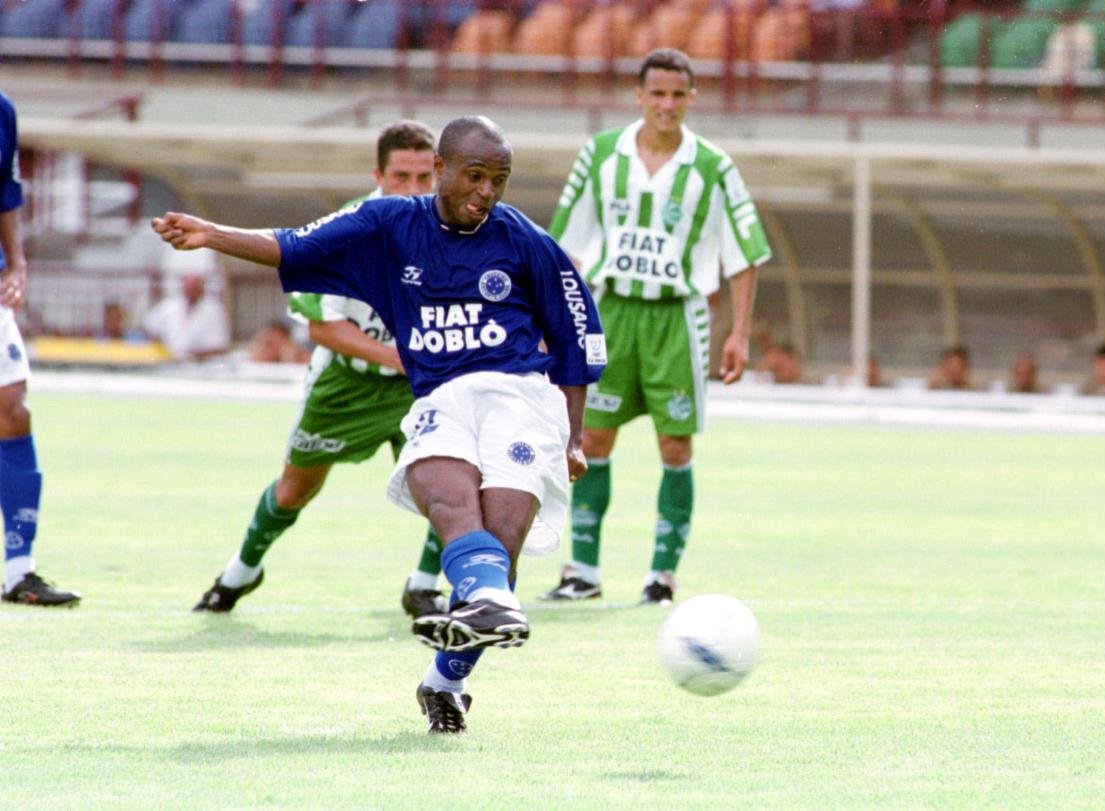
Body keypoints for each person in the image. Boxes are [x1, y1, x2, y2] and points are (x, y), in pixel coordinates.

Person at [152, 115, 606, 735]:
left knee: (499, 542)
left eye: (498, 180)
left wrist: (574, 436)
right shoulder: (389, 225)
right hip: (440, 395)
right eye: (474, 176)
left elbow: (577, 334)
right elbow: (294, 244)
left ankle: (446, 679)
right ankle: (488, 606)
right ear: (441, 172)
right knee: (445, 500)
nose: (486, 192)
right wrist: (211, 233)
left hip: (520, 395)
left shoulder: (524, 240)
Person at [190, 121, 450, 620]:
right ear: (379, 174)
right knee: (295, 489)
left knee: (449, 484)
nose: (413, 189)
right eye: (401, 176)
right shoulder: (352, 225)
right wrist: (401, 357)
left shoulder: (452, 227)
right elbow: (323, 328)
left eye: (424, 177)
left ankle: (423, 586)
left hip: (422, 388)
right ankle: (240, 571)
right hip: (347, 385)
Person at [541, 48, 772, 605]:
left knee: (674, 445)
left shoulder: (714, 167)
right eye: (658, 93)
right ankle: (583, 572)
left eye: (678, 94)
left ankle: (661, 576)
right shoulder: (600, 155)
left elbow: (744, 254)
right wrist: (557, 324)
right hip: (609, 311)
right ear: (639, 95)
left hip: (679, 317)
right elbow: (562, 247)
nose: (667, 104)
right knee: (592, 437)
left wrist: (739, 333)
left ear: (693, 98)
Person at [0, 91, 81, 607]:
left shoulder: (2, 111)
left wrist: (17, 264)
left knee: (12, 409)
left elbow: (5, 192)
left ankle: (18, 570)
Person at [142, 271, 231, 360]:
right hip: (168, 362)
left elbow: (220, 347)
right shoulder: (170, 306)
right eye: (188, 288)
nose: (190, 292)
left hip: (201, 364)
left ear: (201, 289)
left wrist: (188, 355)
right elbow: (149, 326)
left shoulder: (214, 310)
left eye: (194, 289)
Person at [245, 319, 310, 364]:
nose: (264, 348)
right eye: (267, 343)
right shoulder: (241, 362)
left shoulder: (297, 357)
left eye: (271, 344)